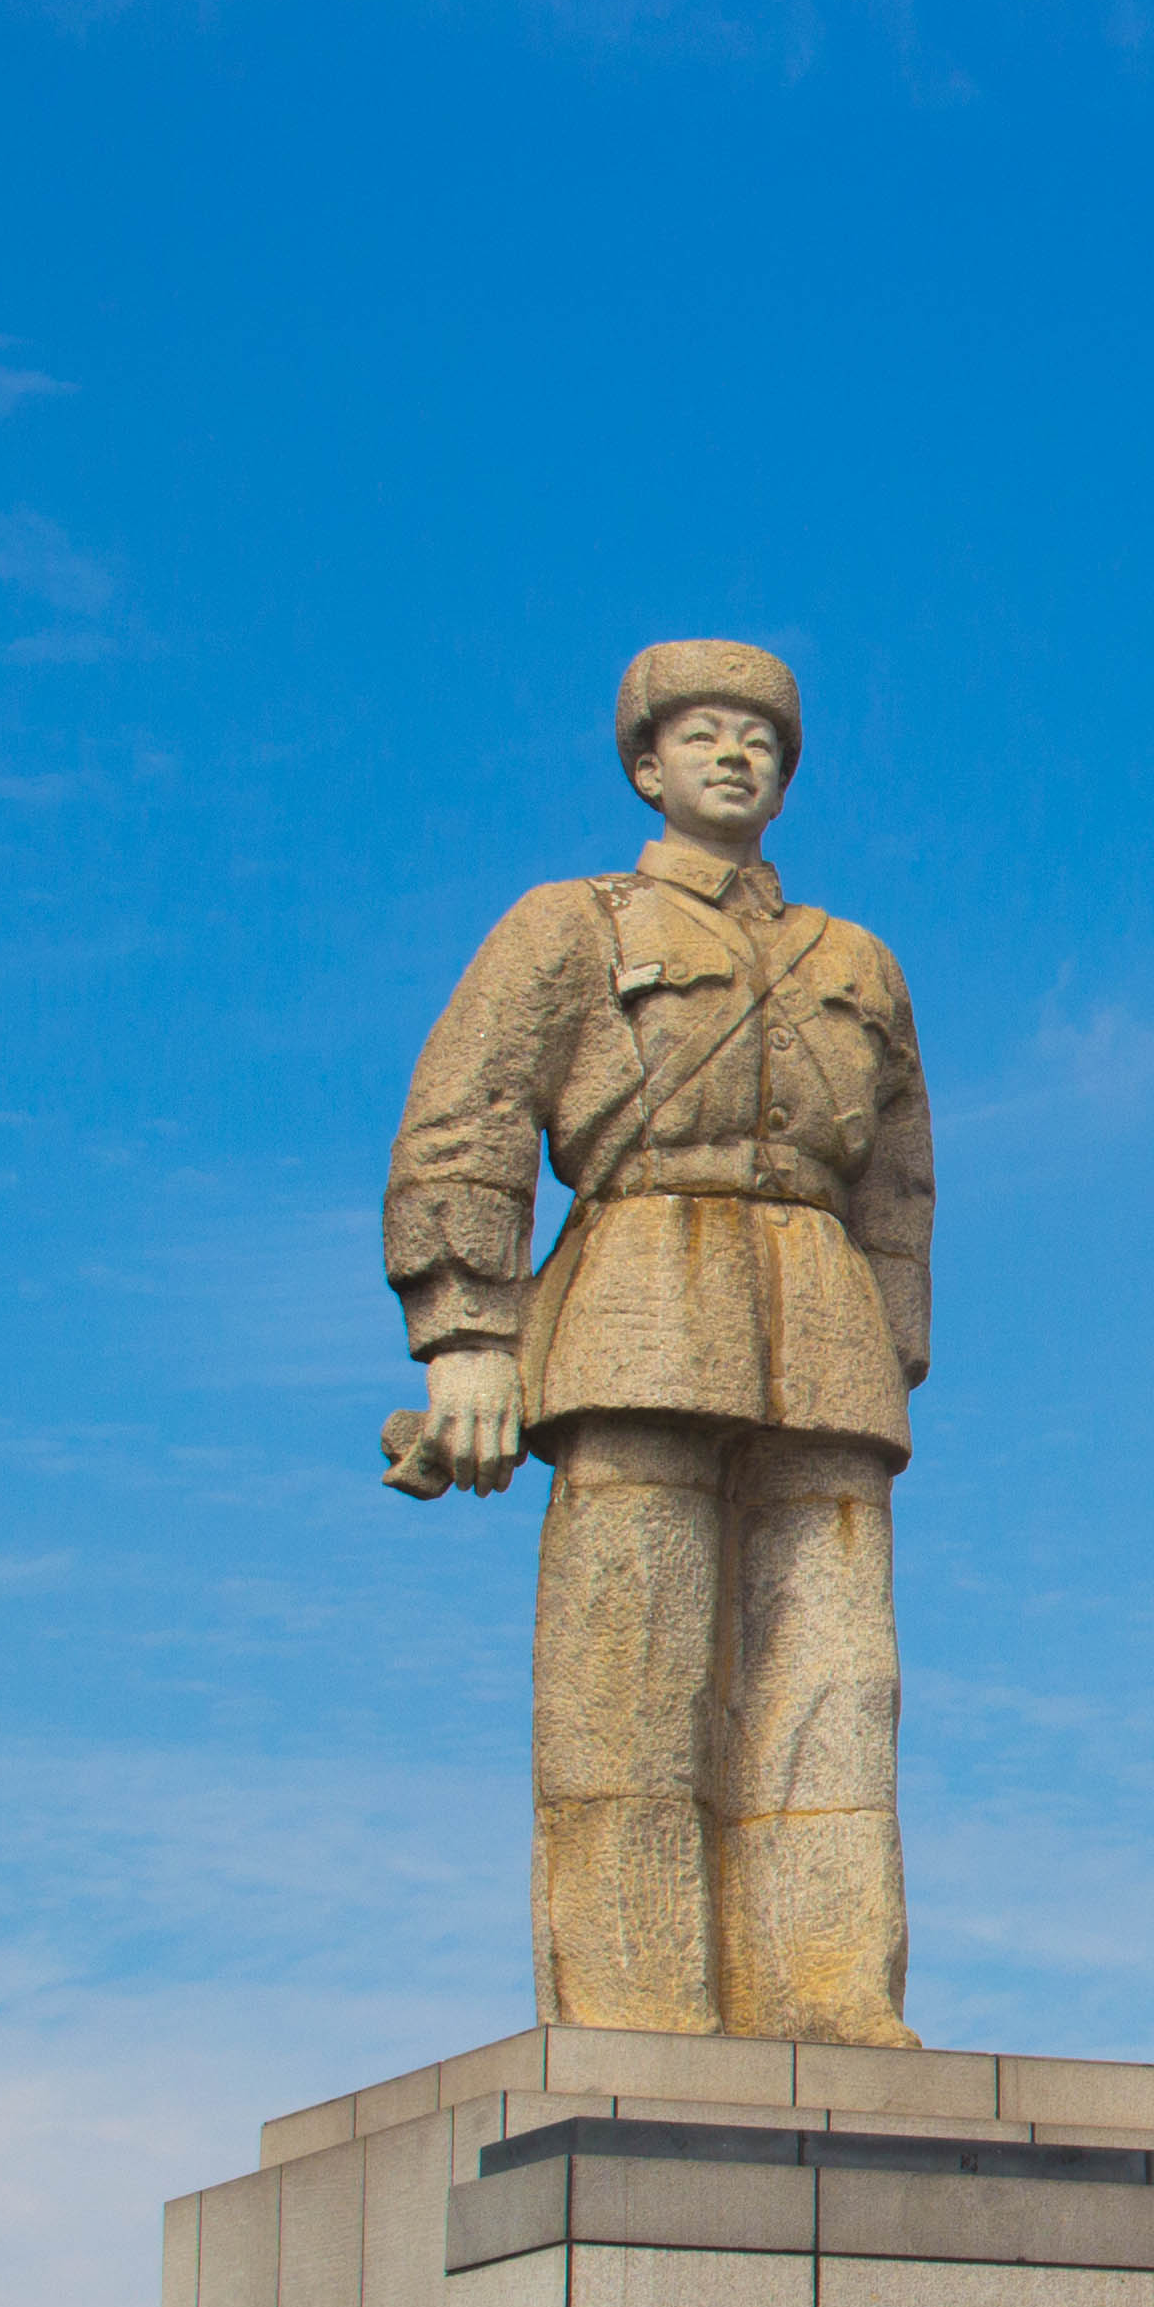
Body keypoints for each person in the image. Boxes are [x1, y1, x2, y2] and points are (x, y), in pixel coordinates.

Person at [382, 641, 936, 2044]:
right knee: (631, 1679)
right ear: (647, 765)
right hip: (636, 1297)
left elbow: (901, 1187)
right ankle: (637, 2013)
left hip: (819, 1322)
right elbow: (472, 1115)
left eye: (760, 736)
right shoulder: (568, 924)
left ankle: (831, 2001)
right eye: (702, 733)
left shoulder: (855, 961)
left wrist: (890, 1349)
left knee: (837, 1690)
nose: (735, 755)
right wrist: (467, 1335)